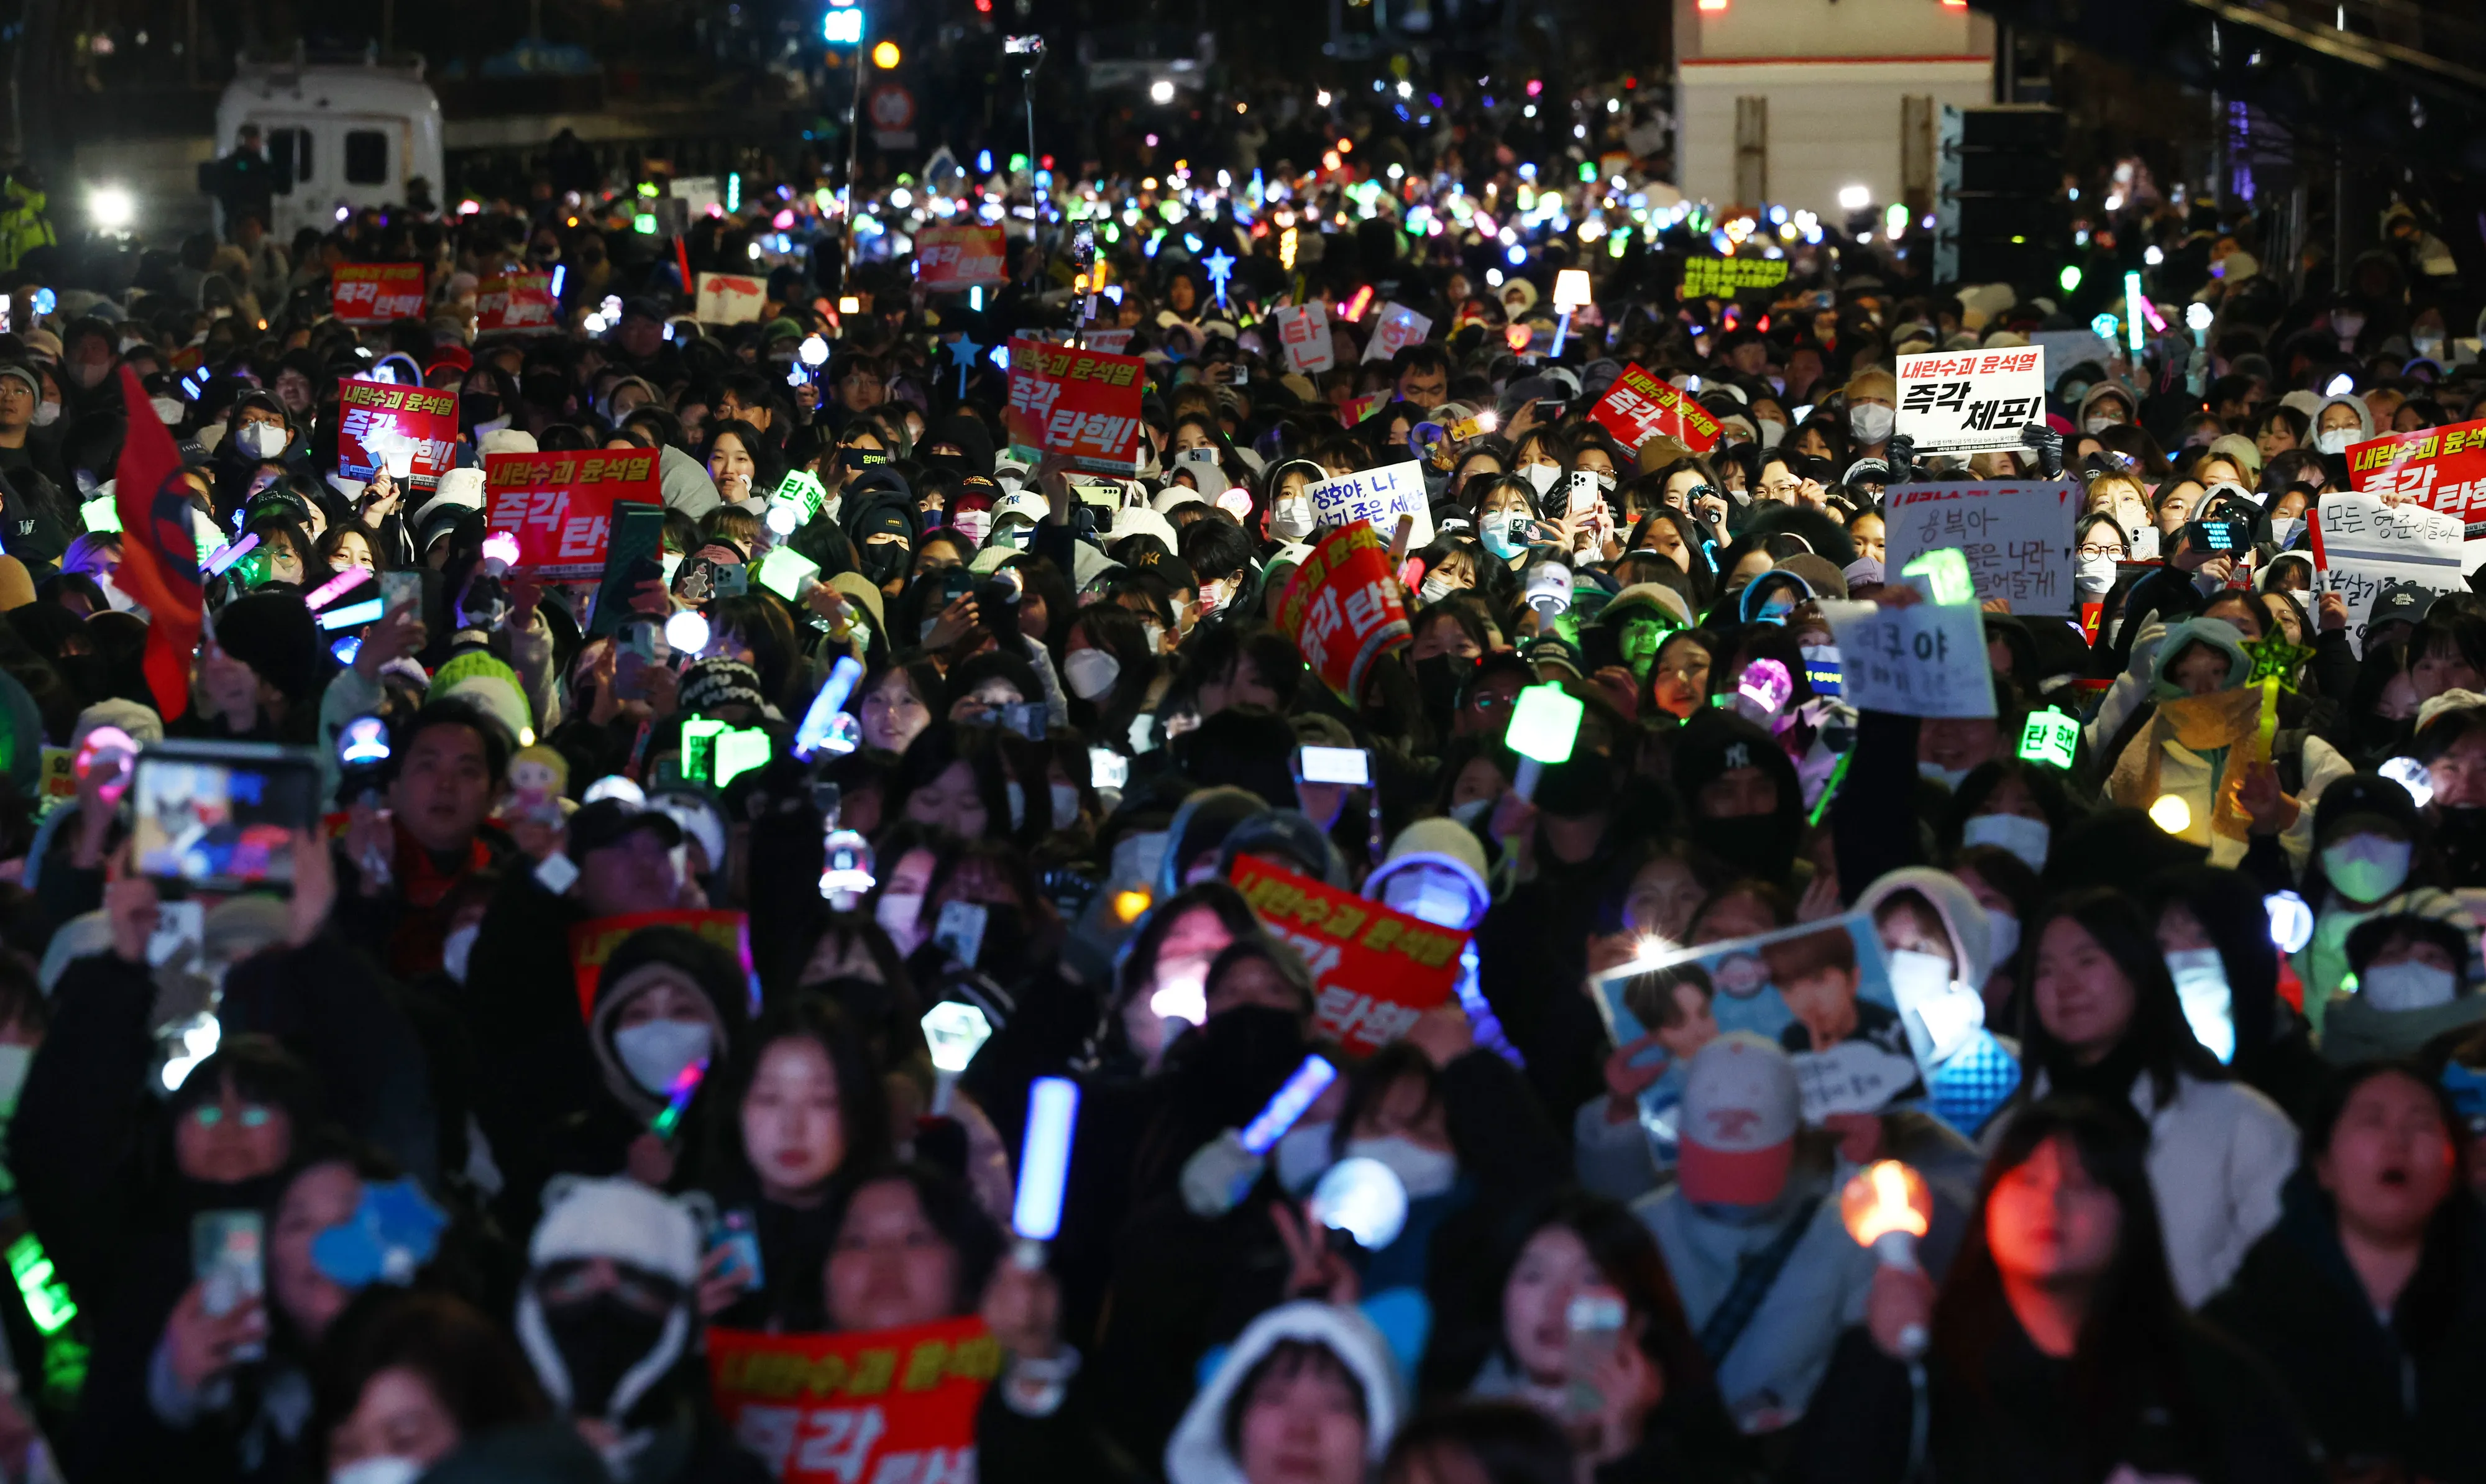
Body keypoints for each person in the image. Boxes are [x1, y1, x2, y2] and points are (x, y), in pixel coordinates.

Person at [1795, 1097, 2318, 1483]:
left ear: (2130, 1213)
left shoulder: (2208, 1373)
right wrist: (1881, 1359)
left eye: (2083, 1183)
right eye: (2027, 1180)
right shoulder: (1920, 1358)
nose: (2052, 1202)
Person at [2204, 1062, 2486, 1481]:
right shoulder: (2240, 1331)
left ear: (2453, 1171)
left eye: (2422, 1124)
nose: (2398, 1141)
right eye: (2372, 1122)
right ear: (2323, 1166)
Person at [2016, 889, 2298, 1306]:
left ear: (2138, 970)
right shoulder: (2017, 1132)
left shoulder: (2239, 1120)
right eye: (2045, 970)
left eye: (2087, 961)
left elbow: (2287, 1277)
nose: (2066, 985)